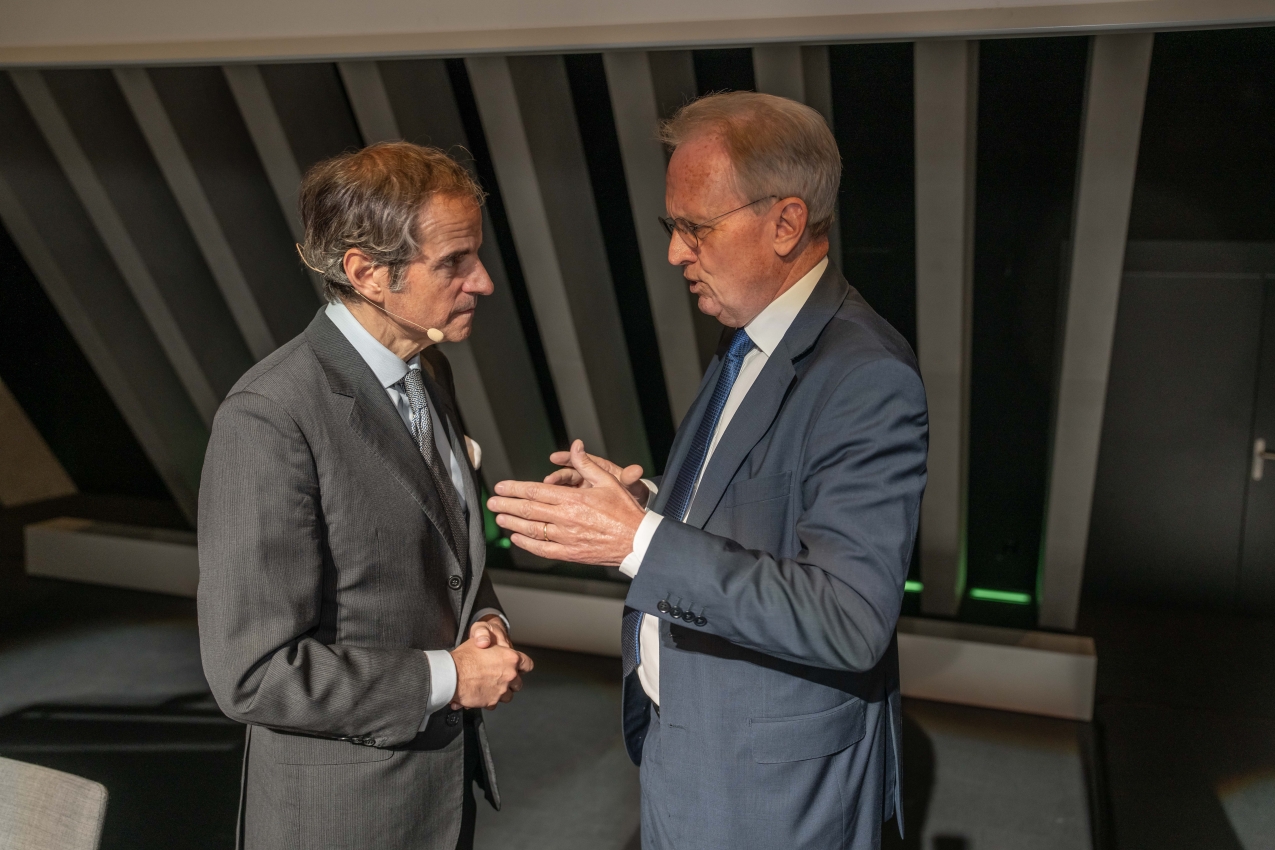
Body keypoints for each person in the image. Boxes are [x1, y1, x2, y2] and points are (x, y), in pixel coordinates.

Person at [487, 92, 927, 848]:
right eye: (672, 227)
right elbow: (753, 507)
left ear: (786, 222)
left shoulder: (865, 377)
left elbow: (848, 621)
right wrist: (644, 504)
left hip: (770, 793)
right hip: (688, 748)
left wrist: (637, 543)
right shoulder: (747, 335)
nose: (674, 253)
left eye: (694, 228)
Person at [198, 141, 533, 850]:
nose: (483, 282)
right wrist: (450, 677)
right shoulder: (269, 415)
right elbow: (253, 675)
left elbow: (443, 556)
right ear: (366, 273)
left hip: (436, 799)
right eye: (454, 262)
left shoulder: (429, 367)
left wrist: (486, 623)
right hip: (339, 818)